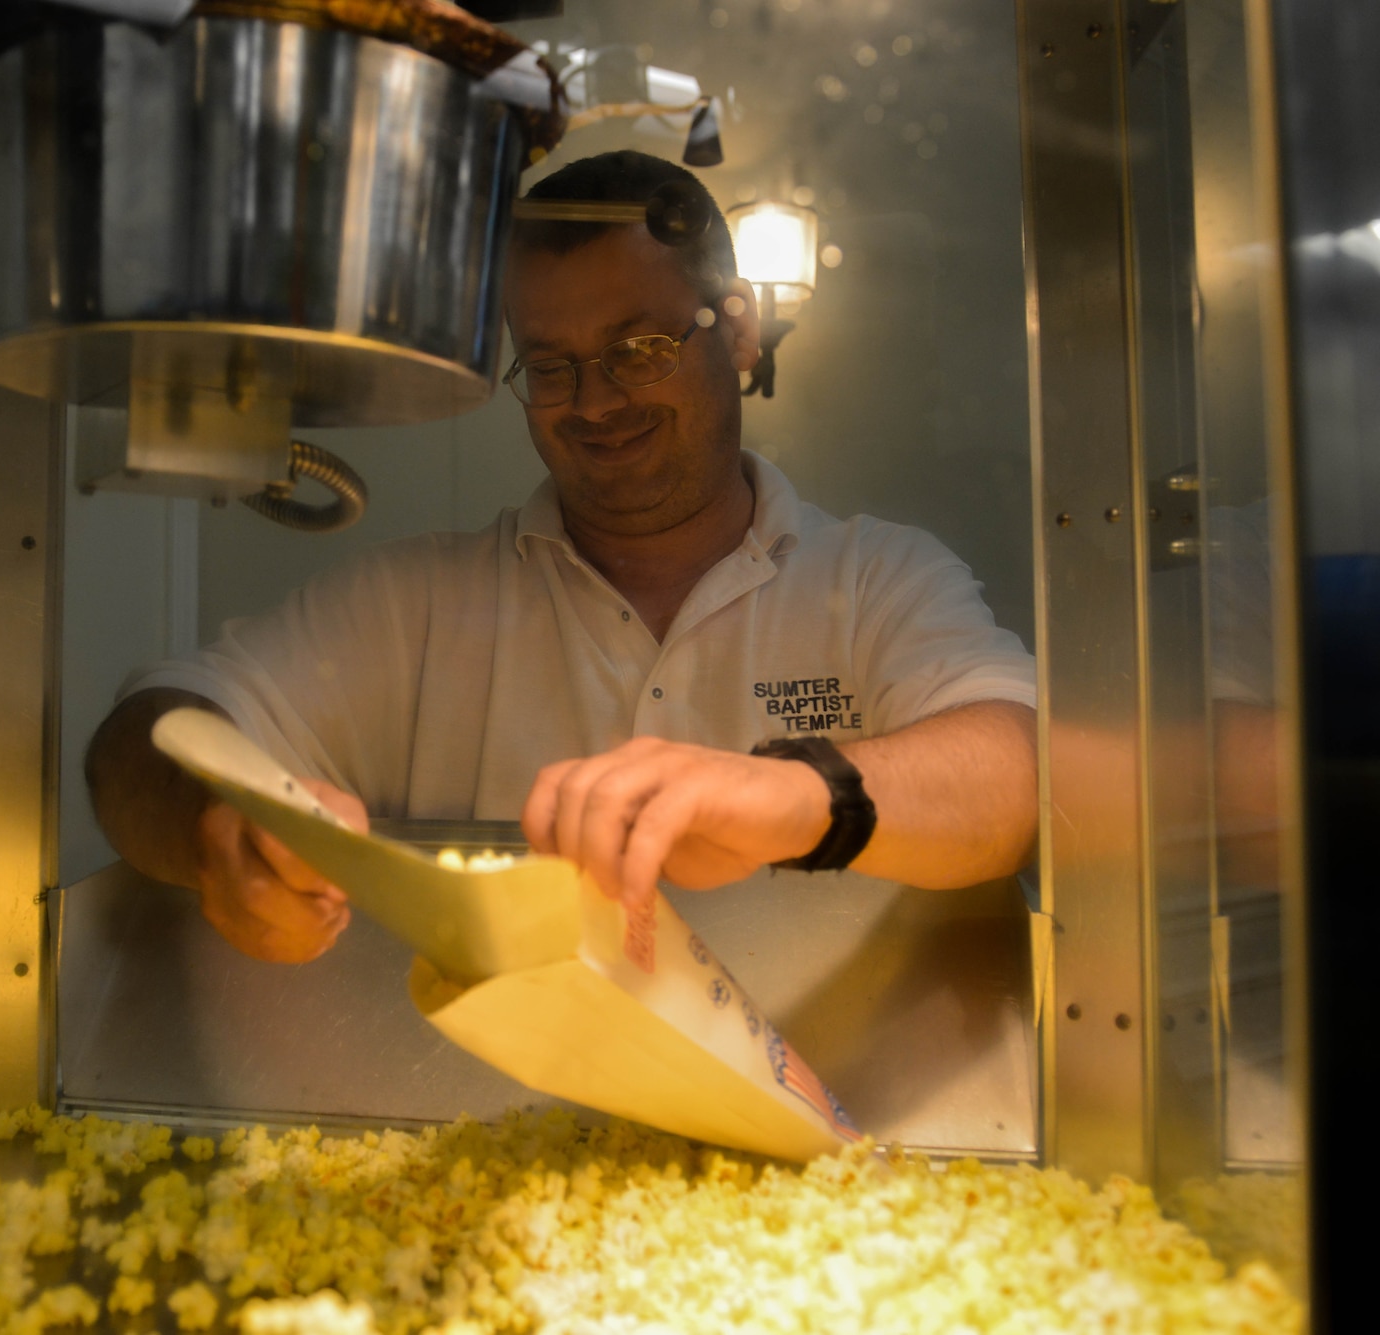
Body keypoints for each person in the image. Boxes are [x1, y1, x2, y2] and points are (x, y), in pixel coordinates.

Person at [86, 151, 1039, 967]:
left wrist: (795, 793)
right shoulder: (420, 604)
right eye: (550, 366)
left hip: (834, 1138)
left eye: (641, 347)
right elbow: (145, 732)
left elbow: (1021, 772)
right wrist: (218, 824)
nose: (594, 401)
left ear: (740, 330)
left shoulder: (874, 580)